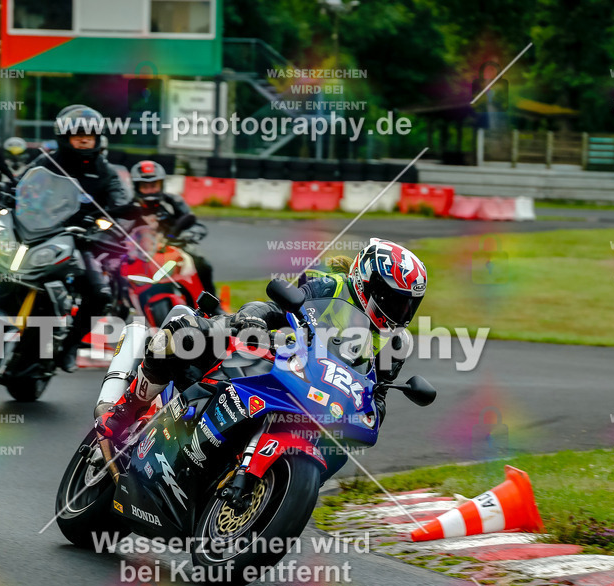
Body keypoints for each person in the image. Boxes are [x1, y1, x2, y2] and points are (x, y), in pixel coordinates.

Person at [96, 238, 428, 441]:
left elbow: (377, 397)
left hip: (311, 391)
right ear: (367, 283)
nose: (400, 310)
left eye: (408, 304)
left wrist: (371, 411)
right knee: (187, 331)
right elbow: (274, 304)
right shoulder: (331, 285)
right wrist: (251, 319)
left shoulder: (395, 343)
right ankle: (124, 411)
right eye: (393, 299)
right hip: (269, 349)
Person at [32, 105, 134, 372]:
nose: (85, 138)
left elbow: (122, 205)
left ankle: (69, 347)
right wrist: (1, 191)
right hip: (39, 233)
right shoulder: (47, 162)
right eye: (78, 133)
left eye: (90, 133)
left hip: (81, 240)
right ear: (65, 137)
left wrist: (113, 223)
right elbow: (20, 185)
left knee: (99, 293)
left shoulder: (106, 171)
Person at [129, 160, 217, 297]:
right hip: (135, 251)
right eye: (145, 186)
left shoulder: (173, 202)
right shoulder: (127, 205)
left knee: (202, 263)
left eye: (154, 185)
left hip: (171, 248)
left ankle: (210, 303)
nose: (150, 190)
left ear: (161, 184)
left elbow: (196, 225)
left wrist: (188, 235)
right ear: (136, 186)